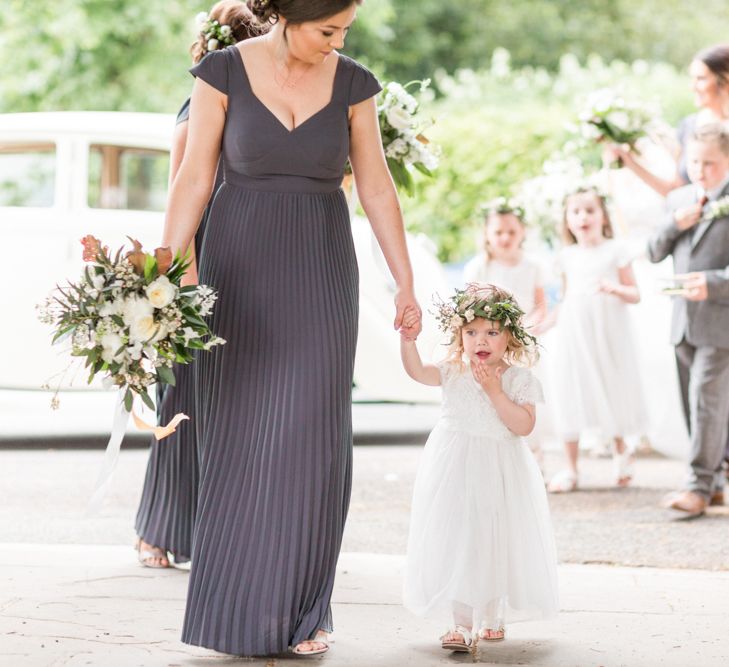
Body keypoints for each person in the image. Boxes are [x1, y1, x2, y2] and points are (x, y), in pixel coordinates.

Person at [160, 0, 422, 657]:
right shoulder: (219, 72)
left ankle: (306, 611)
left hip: (321, 269)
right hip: (238, 266)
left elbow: (377, 188)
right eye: (327, 29)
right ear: (288, 15)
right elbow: (193, 177)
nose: (338, 41)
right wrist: (168, 271)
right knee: (241, 438)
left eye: (345, 30)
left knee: (312, 437)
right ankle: (234, 610)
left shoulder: (355, 83)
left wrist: (406, 283)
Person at [134, 0, 263, 569]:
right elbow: (180, 195)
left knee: (233, 396)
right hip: (204, 255)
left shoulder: (261, 106)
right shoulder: (197, 107)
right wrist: (184, 284)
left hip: (249, 255)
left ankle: (214, 525)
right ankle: (157, 528)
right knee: (186, 391)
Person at [401, 283, 558, 652]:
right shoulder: (454, 370)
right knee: (457, 535)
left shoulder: (519, 378)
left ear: (510, 336)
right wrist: (408, 341)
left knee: (493, 536)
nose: (480, 341)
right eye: (471, 332)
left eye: (491, 332)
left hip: (500, 468)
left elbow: (522, 426)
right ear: (460, 335)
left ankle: (491, 615)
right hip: (454, 464)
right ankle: (459, 624)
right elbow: (419, 373)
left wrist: (494, 392)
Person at [647, 123, 729, 515]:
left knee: (706, 399)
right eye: (694, 160)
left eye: (710, 163)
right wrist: (673, 223)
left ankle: (696, 486)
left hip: (721, 320)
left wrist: (712, 283)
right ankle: (711, 483)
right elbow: (651, 251)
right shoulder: (677, 199)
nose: (700, 170)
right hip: (682, 321)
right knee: (690, 401)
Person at [547, 187, 645, 493]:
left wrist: (613, 289)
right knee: (570, 390)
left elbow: (635, 294)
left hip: (607, 331)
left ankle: (620, 451)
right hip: (574, 332)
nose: (583, 217)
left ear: (603, 215)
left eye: (589, 210)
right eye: (575, 211)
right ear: (567, 219)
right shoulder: (566, 256)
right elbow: (563, 299)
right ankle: (571, 467)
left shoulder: (616, 250)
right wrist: (541, 325)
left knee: (611, 385)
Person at [606, 44, 729, 197]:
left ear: (724, 81)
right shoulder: (688, 126)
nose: (692, 87)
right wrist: (630, 163)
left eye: (701, 79)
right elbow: (676, 192)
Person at [462, 200, 547, 329]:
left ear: (522, 231)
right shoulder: (477, 267)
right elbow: (468, 307)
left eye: (512, 232)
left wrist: (525, 329)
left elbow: (541, 306)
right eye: (498, 232)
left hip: (526, 332)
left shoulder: (533, 266)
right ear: (486, 233)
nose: (506, 238)